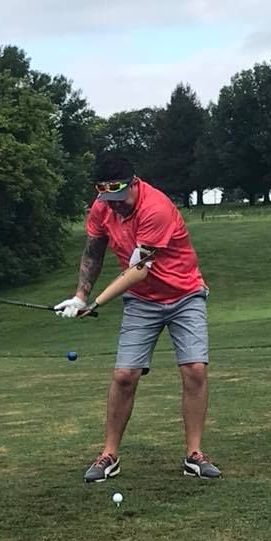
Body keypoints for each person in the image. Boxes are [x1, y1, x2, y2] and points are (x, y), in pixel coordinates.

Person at [54, 154, 221, 483]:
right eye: (107, 200)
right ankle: (109, 454)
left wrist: (96, 302)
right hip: (143, 303)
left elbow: (138, 270)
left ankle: (194, 454)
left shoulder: (155, 208)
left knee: (194, 370)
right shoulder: (103, 207)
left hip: (185, 294)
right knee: (125, 375)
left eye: (119, 198)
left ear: (134, 183)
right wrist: (79, 296)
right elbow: (93, 251)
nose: (113, 206)